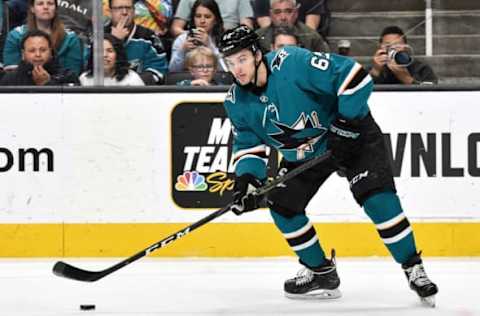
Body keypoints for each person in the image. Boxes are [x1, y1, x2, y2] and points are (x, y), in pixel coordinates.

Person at [218, 25, 439, 305]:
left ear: (256, 54)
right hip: (306, 153)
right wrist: (247, 180)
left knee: (378, 201)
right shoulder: (235, 101)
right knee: (283, 208)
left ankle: (412, 267)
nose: (237, 69)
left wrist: (346, 124)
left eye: (242, 59)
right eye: (230, 62)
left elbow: (354, 76)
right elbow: (249, 145)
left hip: (352, 135)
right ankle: (321, 273)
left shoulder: (292, 63)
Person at [3, 0, 83, 75]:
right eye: (40, 3)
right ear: (32, 8)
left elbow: (73, 74)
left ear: (56, 8)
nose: (45, 7)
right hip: (23, 86)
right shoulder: (15, 36)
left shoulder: (70, 38)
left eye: (50, 3)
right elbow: (11, 73)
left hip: (59, 86)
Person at [105, 0, 168, 85]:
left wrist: (131, 83)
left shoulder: (148, 37)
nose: (124, 12)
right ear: (110, 12)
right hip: (105, 93)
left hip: (140, 93)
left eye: (128, 8)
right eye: (119, 8)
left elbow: (159, 70)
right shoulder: (98, 36)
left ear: (134, 11)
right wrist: (115, 41)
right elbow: (90, 69)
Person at [0, 29, 79, 85]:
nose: (38, 54)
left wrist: (47, 84)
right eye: (32, 50)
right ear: (23, 54)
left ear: (51, 52)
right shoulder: (9, 80)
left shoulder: (68, 77)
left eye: (43, 50)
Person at [168, 0, 225, 72]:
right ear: (193, 18)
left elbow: (226, 72)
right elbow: (172, 71)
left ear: (216, 20)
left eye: (207, 17)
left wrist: (210, 46)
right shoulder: (182, 39)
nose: (202, 21)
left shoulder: (224, 40)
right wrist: (182, 51)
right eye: (198, 16)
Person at [369, 26, 437, 84]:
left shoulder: (421, 69)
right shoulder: (372, 69)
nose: (393, 49)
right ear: (380, 47)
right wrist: (375, 72)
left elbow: (432, 94)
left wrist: (406, 78)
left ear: (405, 47)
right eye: (388, 45)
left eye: (397, 45)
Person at [256, 0, 329, 54]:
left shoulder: (312, 37)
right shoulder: (257, 37)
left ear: (296, 13)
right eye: (277, 12)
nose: (283, 17)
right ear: (271, 14)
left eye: (288, 11)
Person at [79, 33, 144, 86]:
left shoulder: (132, 79)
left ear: (118, 54)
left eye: (110, 51)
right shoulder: (84, 79)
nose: (104, 55)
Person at [169, 0, 253, 38]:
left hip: (229, 40)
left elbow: (247, 27)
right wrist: (194, 36)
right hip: (195, 41)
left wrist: (229, 38)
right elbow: (175, 28)